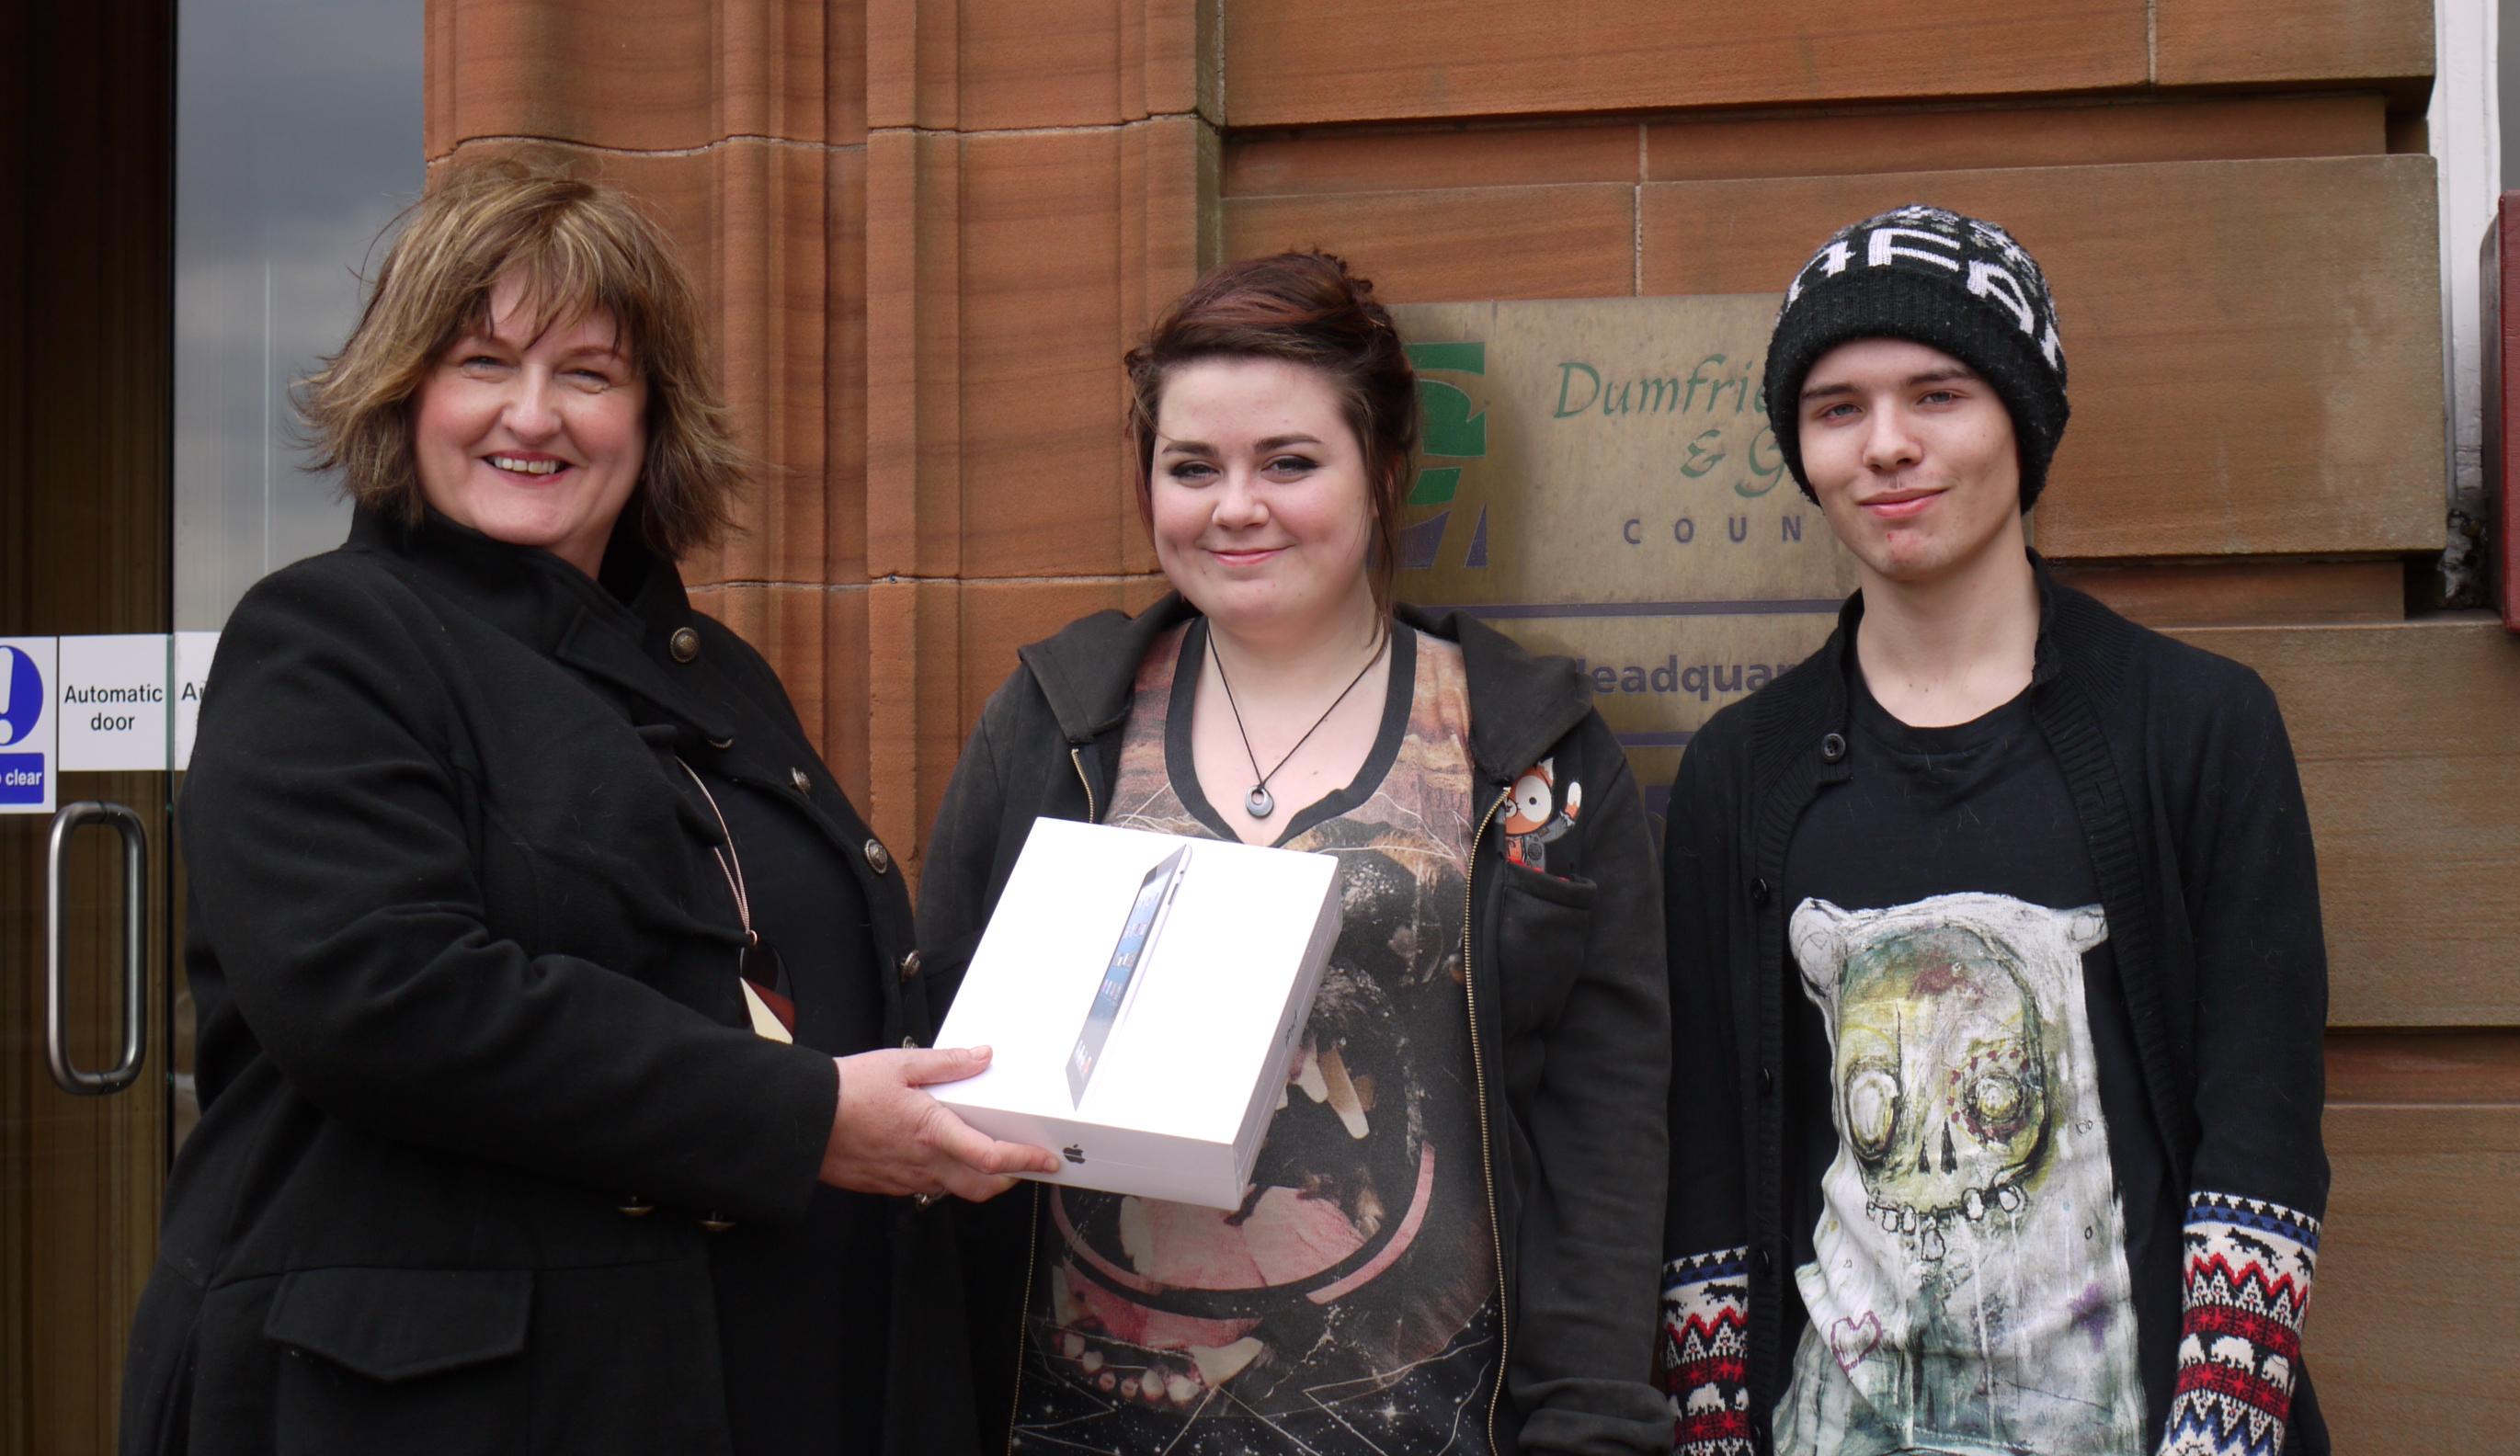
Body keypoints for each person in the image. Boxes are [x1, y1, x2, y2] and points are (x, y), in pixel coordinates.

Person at [118, 156, 1053, 1456]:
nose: (535, 415)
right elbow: (384, 996)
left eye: (590, 374)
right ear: (406, 394)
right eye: (483, 364)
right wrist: (805, 1123)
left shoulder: (714, 674)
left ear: (653, 415)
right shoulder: (327, 642)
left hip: (746, 1365)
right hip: (431, 1406)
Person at [916, 253, 1672, 1456]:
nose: (1235, 506)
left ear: (1381, 471)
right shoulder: (1059, 728)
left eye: (1289, 462)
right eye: (1190, 468)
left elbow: (1606, 1143)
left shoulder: (1529, 752)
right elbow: (936, 1068)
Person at [1658, 203, 2331, 1456]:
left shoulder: (2198, 729)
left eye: (1938, 393)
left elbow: (2265, 1122)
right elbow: (1703, 1158)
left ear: (2022, 419)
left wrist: (2217, 1437)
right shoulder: (1738, 775)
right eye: (1838, 407)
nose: (1888, 446)